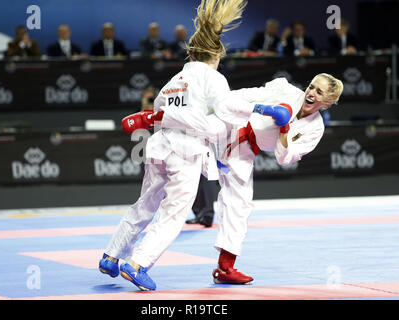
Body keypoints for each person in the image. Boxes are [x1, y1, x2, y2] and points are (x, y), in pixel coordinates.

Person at [99, 0, 292, 291]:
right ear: (216, 55)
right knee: (175, 212)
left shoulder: (174, 80)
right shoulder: (213, 78)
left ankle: (112, 255)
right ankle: (137, 263)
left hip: (159, 146)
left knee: (146, 203)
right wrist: (264, 109)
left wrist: (160, 117)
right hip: (184, 151)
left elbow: (163, 113)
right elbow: (227, 109)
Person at [211, 73, 343, 284]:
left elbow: (284, 158)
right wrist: (262, 109)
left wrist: (284, 128)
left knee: (240, 204)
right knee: (178, 182)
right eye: (311, 86)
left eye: (319, 92)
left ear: (327, 102)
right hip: (227, 127)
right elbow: (246, 96)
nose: (311, 93)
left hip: (243, 150)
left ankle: (225, 268)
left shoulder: (315, 129)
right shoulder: (288, 93)